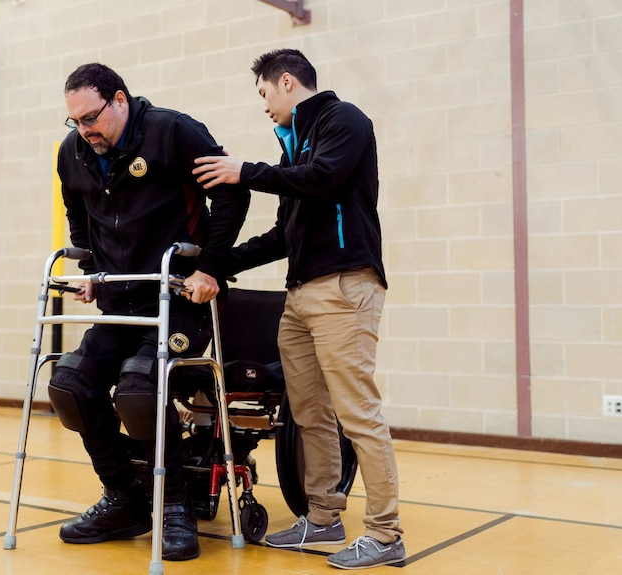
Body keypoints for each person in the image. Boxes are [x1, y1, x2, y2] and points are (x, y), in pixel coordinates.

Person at [192, 49, 405, 570]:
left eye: (264, 94)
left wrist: (246, 172)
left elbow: (323, 178)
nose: (263, 106)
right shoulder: (291, 151)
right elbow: (282, 235)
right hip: (302, 294)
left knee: (358, 413)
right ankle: (324, 517)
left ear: (286, 82)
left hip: (344, 288)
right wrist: (215, 266)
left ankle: (384, 535)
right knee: (308, 413)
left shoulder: (343, 120)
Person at [48, 63, 249, 562]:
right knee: (70, 386)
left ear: (120, 99)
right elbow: (80, 217)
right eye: (74, 121)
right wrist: (93, 271)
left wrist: (212, 268)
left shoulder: (172, 131)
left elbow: (231, 194)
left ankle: (176, 505)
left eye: (91, 117)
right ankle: (125, 499)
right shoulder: (73, 152)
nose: (84, 130)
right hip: (121, 303)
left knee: (141, 389)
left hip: (180, 299)